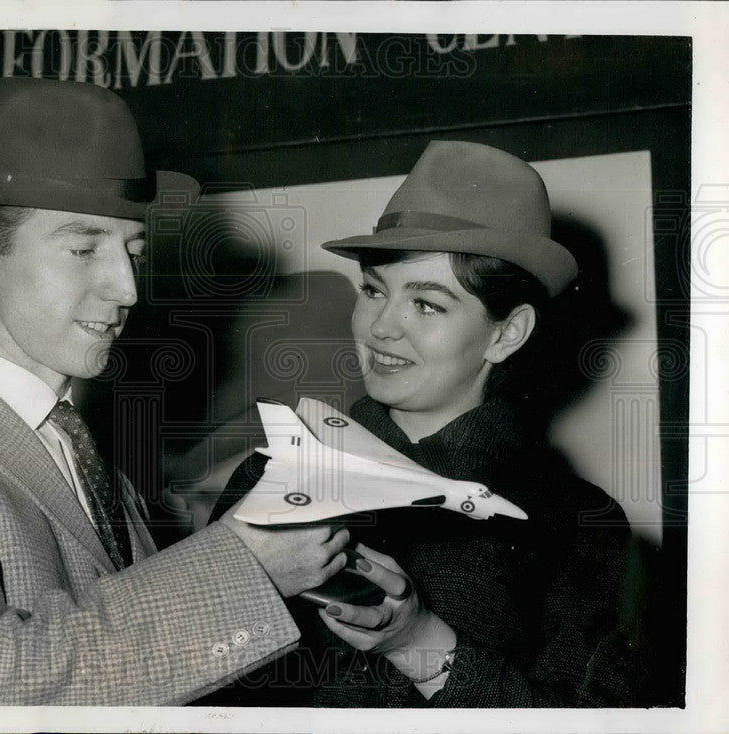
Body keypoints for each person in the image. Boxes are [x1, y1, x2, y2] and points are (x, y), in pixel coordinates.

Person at [0, 77, 352, 706]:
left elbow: (123, 677)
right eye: (84, 249)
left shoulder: (94, 460)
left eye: (133, 251)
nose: (127, 289)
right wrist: (243, 571)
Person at [205, 141, 637, 707]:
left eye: (426, 304)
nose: (380, 327)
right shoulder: (270, 476)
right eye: (373, 291)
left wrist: (418, 642)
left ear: (507, 333)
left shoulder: (577, 521)